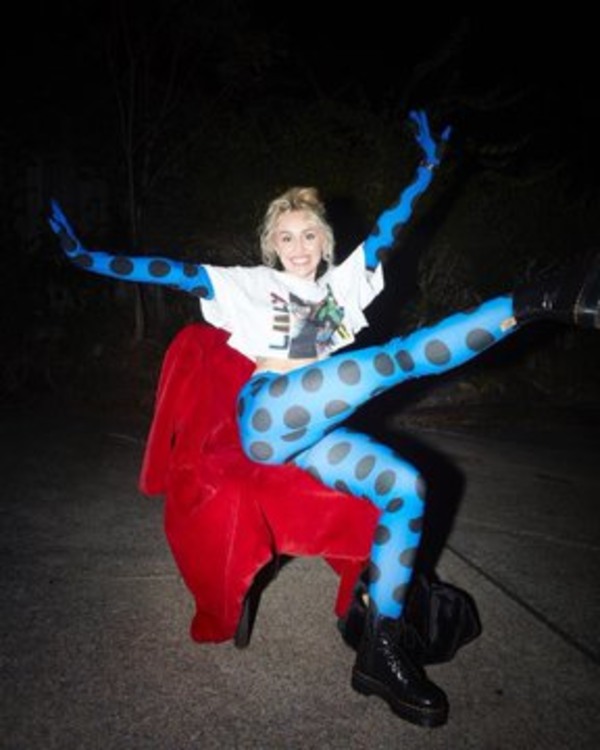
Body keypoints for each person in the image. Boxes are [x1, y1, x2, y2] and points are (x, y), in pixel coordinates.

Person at [48, 110, 600, 729]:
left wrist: (425, 170)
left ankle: (381, 650)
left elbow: (393, 228)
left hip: (315, 436)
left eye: (309, 234)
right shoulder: (247, 285)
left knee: (406, 488)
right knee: (389, 361)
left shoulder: (342, 290)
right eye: (286, 237)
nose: (298, 247)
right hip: (266, 415)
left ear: (324, 241)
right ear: (271, 245)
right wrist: (85, 257)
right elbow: (165, 270)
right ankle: (541, 298)